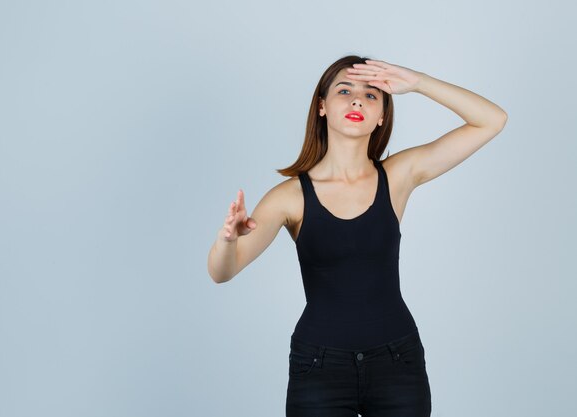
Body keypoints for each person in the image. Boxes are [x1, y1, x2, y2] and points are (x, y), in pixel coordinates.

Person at [207, 55, 507, 417]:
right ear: (321, 106)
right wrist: (226, 241)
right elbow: (222, 272)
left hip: (398, 363)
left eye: (371, 95)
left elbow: (492, 120)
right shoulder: (289, 196)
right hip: (319, 367)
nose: (356, 101)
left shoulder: (398, 176)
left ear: (381, 115)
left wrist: (419, 82)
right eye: (344, 90)